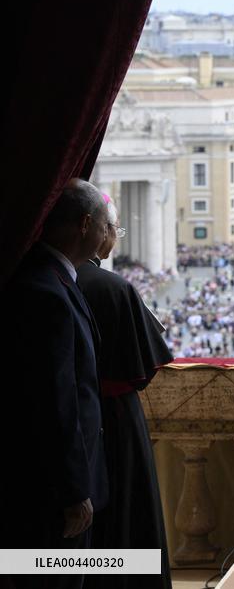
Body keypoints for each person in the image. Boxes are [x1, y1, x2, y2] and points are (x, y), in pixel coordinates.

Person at [0, 179, 110, 589]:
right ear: (84, 224)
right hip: (53, 494)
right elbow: (55, 403)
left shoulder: (53, 279)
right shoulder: (45, 291)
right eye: (105, 224)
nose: (108, 234)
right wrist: (74, 490)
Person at [76, 196, 173, 589]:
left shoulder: (41, 279)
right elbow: (144, 368)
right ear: (96, 230)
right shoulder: (114, 288)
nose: (115, 237)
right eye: (114, 229)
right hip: (116, 422)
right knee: (125, 519)